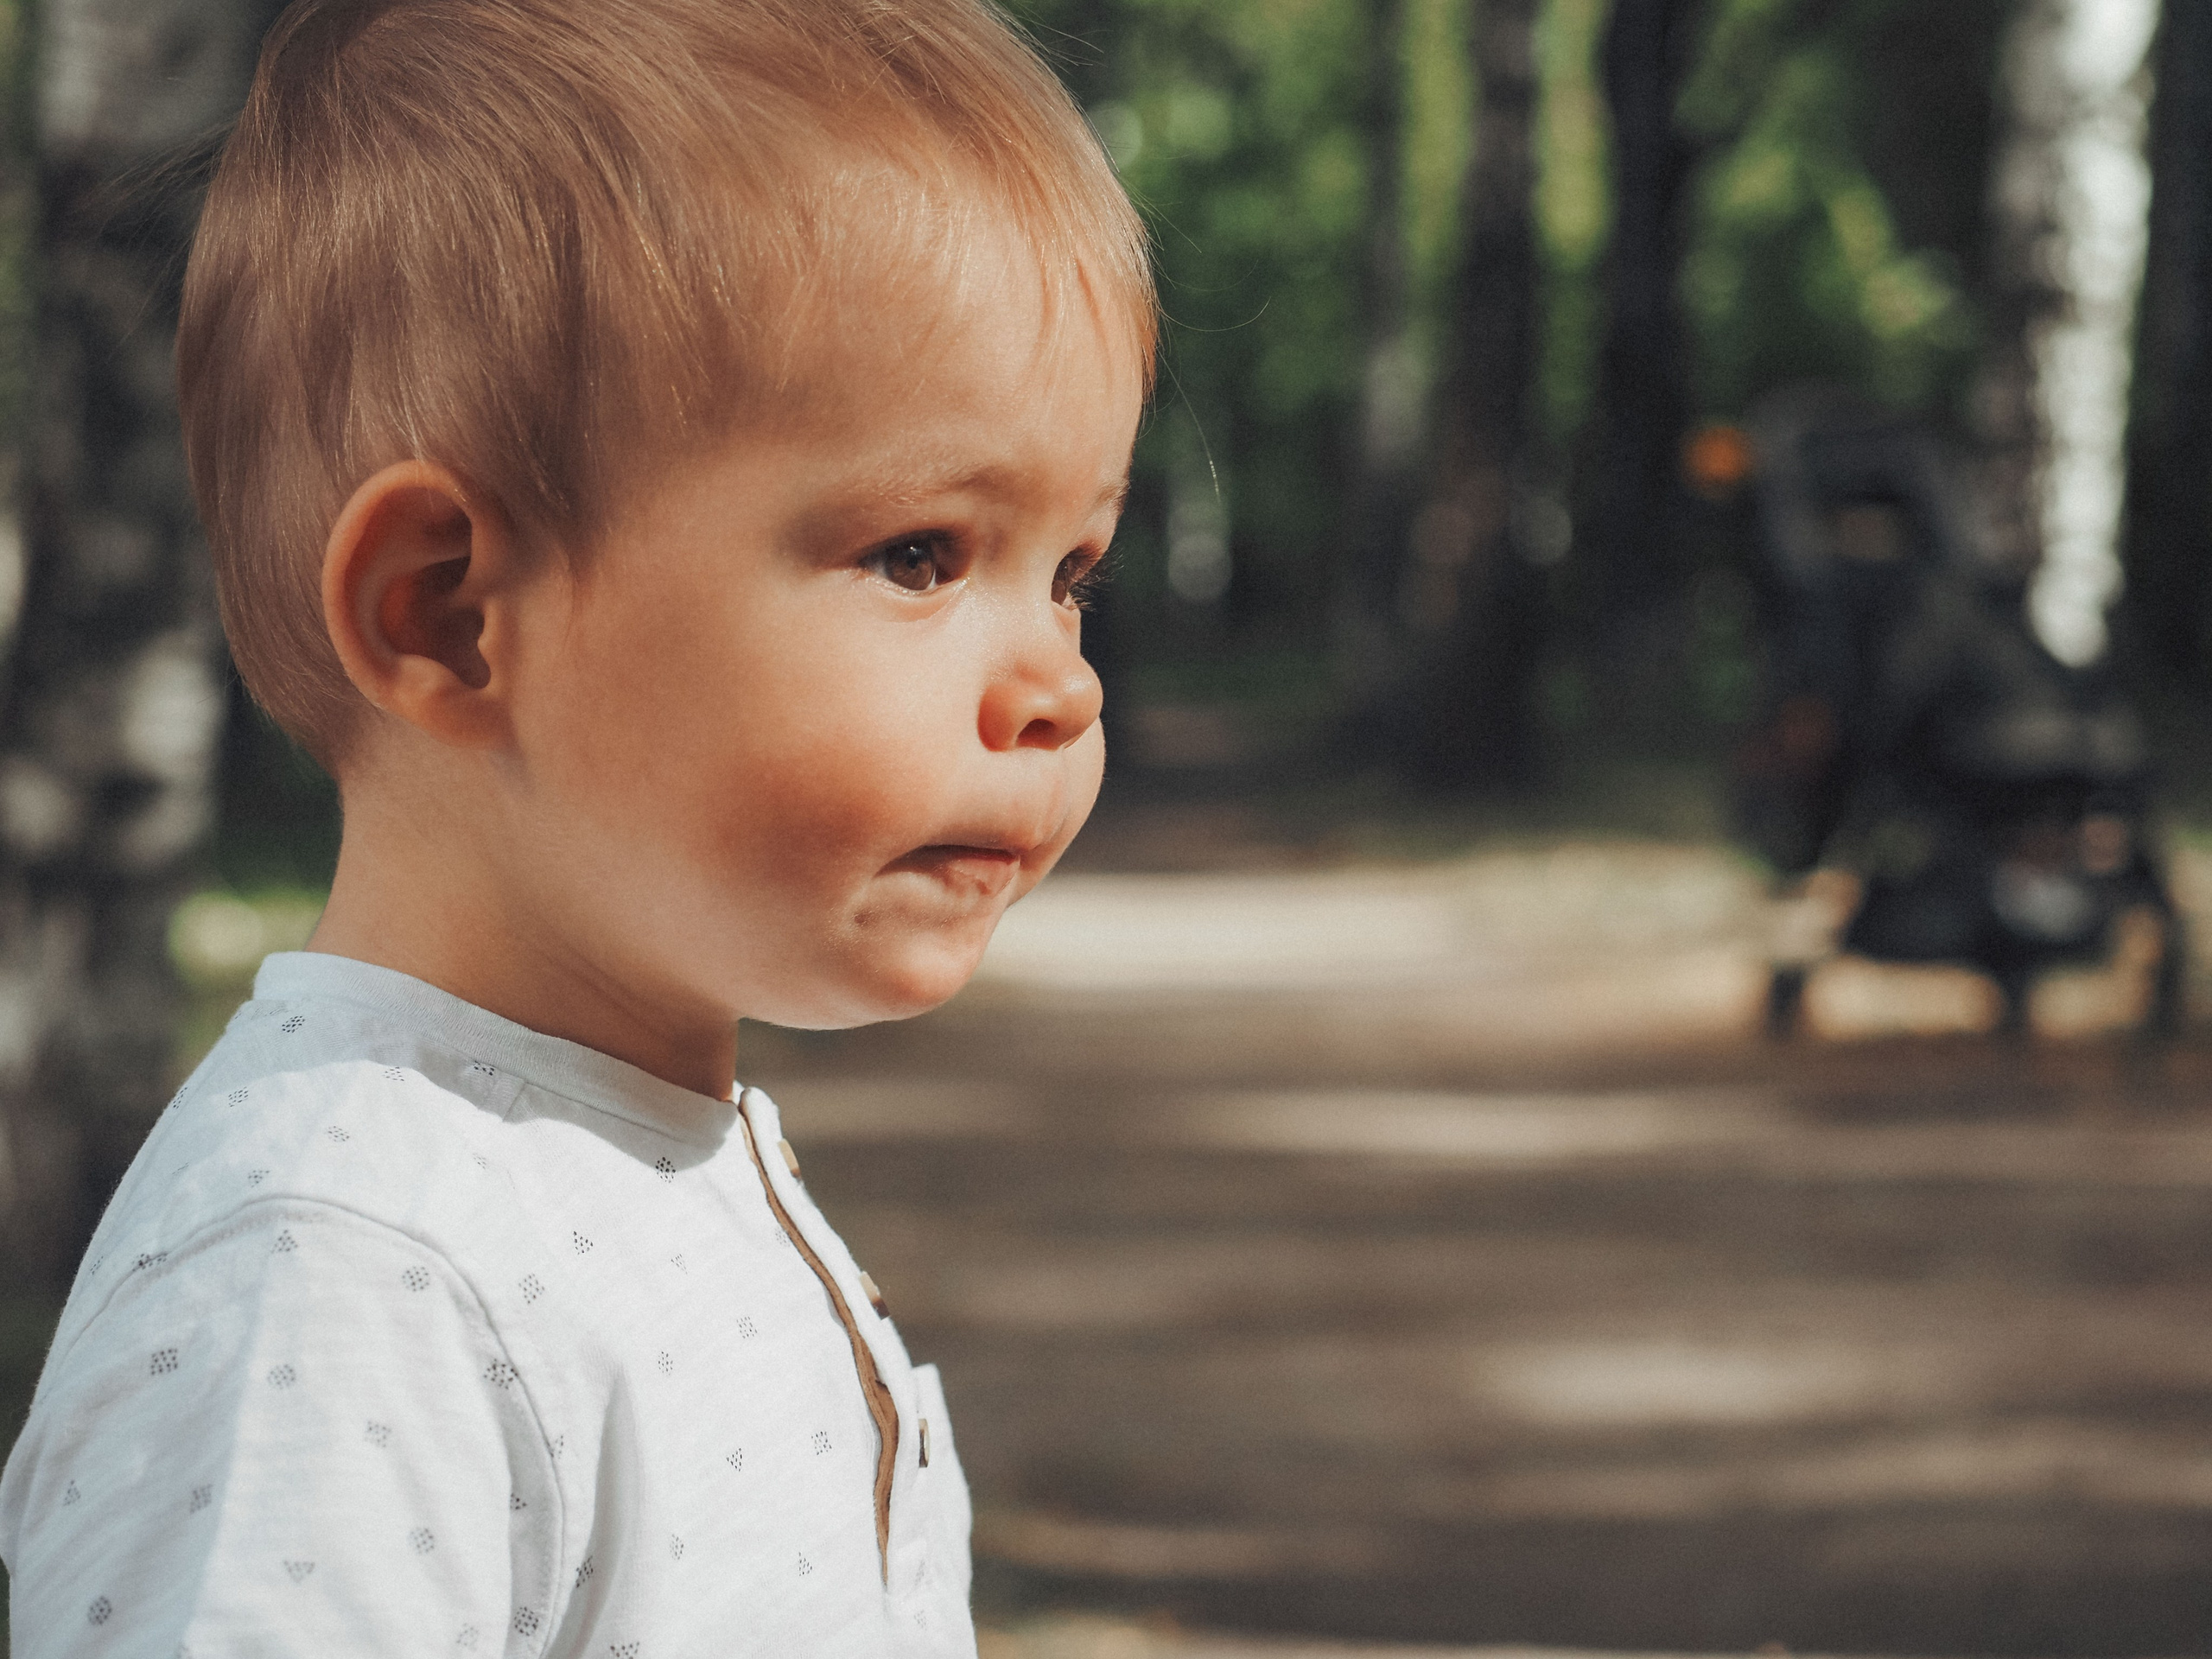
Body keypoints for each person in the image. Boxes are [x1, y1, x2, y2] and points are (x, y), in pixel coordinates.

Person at [0, 0, 1153, 1650]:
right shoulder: (338, 1281)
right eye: (920, 554)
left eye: (1074, 575)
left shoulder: (606, 1153)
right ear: (452, 613)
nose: (1059, 684)